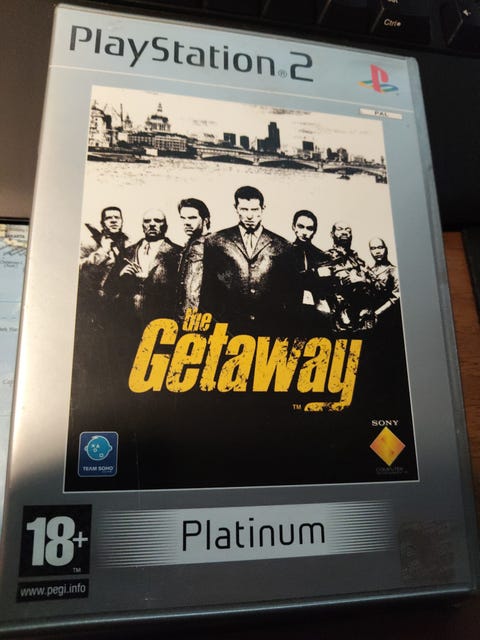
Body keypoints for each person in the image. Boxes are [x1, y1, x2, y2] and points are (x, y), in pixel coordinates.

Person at [200, 185, 291, 333]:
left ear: (263, 209)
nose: (249, 216)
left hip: (268, 328)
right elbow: (207, 291)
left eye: (254, 210)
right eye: (244, 209)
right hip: (227, 327)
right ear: (236, 208)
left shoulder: (282, 245)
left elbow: (288, 295)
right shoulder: (215, 242)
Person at [115, 209, 181, 325]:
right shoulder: (126, 252)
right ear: (142, 226)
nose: (152, 224)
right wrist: (120, 275)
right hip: (128, 322)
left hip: (162, 320)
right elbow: (110, 287)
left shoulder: (178, 253)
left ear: (165, 226)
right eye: (147, 221)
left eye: (157, 220)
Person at [78, 206, 128, 316]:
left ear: (122, 221)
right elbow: (79, 267)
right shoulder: (89, 243)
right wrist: (103, 251)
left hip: (122, 303)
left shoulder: (129, 243)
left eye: (117, 217)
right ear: (102, 223)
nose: (113, 220)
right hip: (96, 303)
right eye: (108, 218)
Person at [326, 221, 375, 332]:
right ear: (332, 234)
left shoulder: (359, 261)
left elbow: (376, 285)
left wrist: (364, 280)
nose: (344, 232)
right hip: (339, 320)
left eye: (348, 230)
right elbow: (320, 287)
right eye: (340, 229)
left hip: (363, 319)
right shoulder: (325, 258)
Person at [290, 209, 332, 331]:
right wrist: (315, 274)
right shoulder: (284, 253)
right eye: (301, 226)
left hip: (316, 314)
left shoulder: (322, 256)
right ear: (293, 227)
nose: (304, 232)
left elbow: (326, 287)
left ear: (314, 231)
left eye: (309, 228)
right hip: (291, 312)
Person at [176, 198, 211, 322]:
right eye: (183, 218)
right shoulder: (188, 245)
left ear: (205, 220)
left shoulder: (212, 245)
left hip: (201, 319)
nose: (186, 222)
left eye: (192, 218)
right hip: (183, 317)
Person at [369, 237, 400, 321]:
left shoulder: (394, 271)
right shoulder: (369, 271)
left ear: (386, 249)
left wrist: (376, 313)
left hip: (391, 316)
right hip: (370, 319)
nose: (377, 251)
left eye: (380, 247)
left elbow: (396, 297)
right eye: (373, 248)